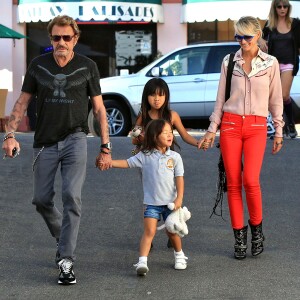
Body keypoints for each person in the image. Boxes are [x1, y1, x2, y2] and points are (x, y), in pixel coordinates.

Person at [2, 15, 112, 285]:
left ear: (75, 38)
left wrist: (105, 146)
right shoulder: (38, 65)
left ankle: (66, 259)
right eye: (55, 38)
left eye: (66, 37)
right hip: (44, 143)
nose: (61, 42)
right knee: (41, 200)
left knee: (71, 196)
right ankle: (63, 239)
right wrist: (10, 134)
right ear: (51, 39)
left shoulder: (87, 66)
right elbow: (21, 103)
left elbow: (99, 110)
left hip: (75, 140)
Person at [198, 16, 284, 260]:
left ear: (257, 35)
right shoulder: (229, 61)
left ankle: (257, 231)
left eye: (247, 36)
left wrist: (278, 130)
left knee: (251, 180)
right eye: (238, 36)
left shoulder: (270, 63)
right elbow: (220, 99)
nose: (242, 41)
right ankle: (239, 237)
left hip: (257, 126)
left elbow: (276, 99)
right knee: (233, 183)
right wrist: (212, 129)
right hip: (231, 125)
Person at [108, 119, 188, 275]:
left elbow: (179, 178)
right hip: (151, 203)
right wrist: (110, 162)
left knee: (172, 232)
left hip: (171, 204)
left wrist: (179, 199)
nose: (169, 135)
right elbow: (127, 163)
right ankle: (142, 262)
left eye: (170, 132)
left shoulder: (175, 157)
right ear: (153, 136)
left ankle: (179, 255)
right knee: (149, 231)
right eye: (164, 132)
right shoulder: (144, 156)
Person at [259, 0, 300, 138]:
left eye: (285, 6)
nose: (282, 9)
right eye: (279, 6)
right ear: (275, 8)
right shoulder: (270, 24)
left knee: (283, 95)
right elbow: (259, 37)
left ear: (289, 8)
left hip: (289, 62)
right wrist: (260, 40)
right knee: (275, 97)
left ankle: (289, 125)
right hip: (273, 63)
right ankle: (283, 127)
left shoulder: (295, 24)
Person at [131, 77, 198, 154]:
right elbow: (134, 140)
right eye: (153, 95)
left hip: (167, 160)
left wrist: (198, 143)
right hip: (148, 160)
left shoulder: (172, 115)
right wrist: (141, 138)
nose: (156, 99)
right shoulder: (143, 116)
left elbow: (185, 136)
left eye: (160, 95)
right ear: (146, 96)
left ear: (166, 96)